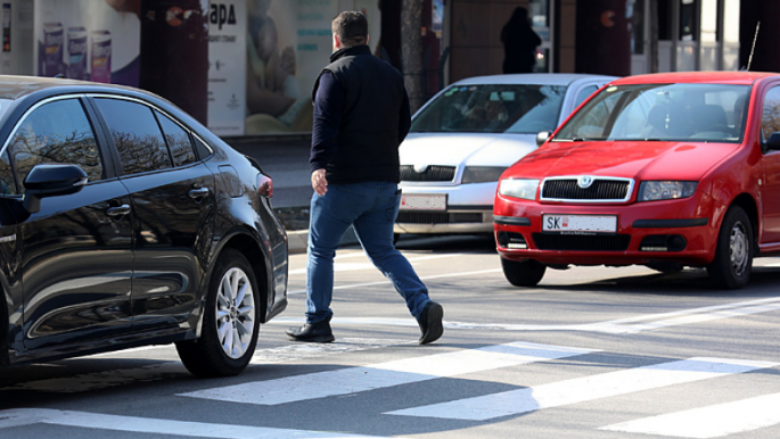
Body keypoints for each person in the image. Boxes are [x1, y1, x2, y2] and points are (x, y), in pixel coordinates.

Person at [285, 11, 444, 345]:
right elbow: (403, 125)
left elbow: (324, 124)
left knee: (320, 250)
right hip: (385, 182)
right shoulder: (391, 75)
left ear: (336, 40)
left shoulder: (333, 75)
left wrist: (318, 165)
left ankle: (318, 321)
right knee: (384, 251)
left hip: (343, 183)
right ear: (367, 38)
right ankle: (423, 306)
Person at [500, 7, 542, 74]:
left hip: (510, 63)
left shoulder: (509, 28)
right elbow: (537, 41)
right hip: (523, 64)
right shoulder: (524, 28)